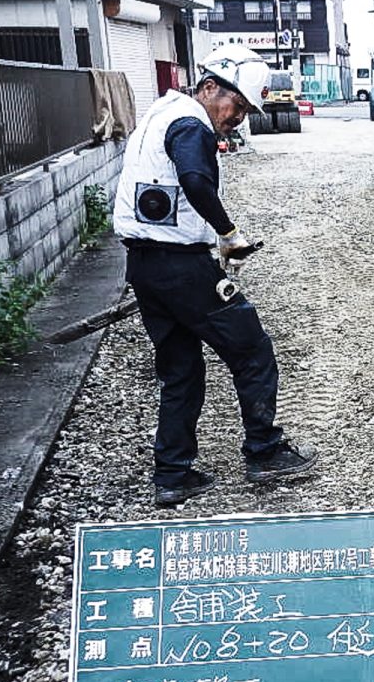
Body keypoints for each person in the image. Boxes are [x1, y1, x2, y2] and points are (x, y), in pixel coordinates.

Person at [113, 45, 317, 507]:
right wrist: (228, 233)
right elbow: (195, 179)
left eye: (245, 109)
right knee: (253, 349)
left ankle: (172, 473)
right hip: (181, 267)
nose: (239, 118)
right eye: (237, 105)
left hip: (143, 265)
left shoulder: (160, 114)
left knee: (181, 368)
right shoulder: (191, 125)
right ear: (209, 88)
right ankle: (264, 451)